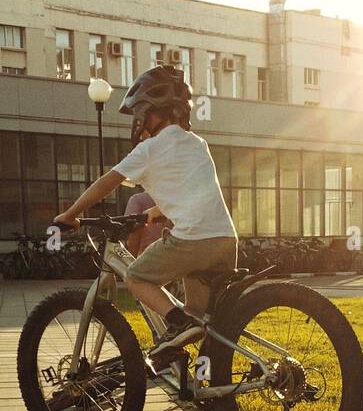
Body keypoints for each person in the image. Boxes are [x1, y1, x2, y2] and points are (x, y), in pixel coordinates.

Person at [53, 65, 237, 335]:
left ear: (149, 113)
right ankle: (199, 359)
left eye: (139, 112)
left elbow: (107, 182)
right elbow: (194, 190)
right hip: (224, 240)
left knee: (136, 277)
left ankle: (176, 321)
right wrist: (158, 210)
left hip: (193, 241)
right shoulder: (197, 143)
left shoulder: (149, 149)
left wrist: (70, 214)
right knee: (201, 322)